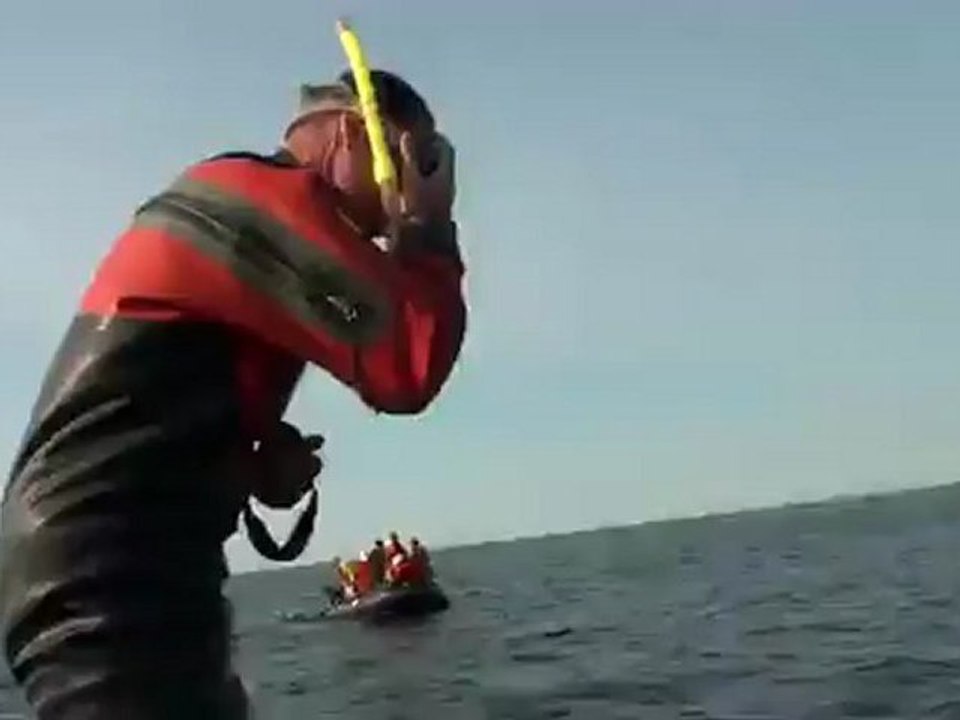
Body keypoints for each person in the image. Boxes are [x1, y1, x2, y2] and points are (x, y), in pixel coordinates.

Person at [0, 68, 465, 719]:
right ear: (355, 137)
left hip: (130, 569)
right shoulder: (259, 202)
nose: (407, 193)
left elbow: (149, 409)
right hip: (101, 577)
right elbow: (407, 365)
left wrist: (251, 463)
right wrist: (428, 225)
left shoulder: (256, 222)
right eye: (414, 160)